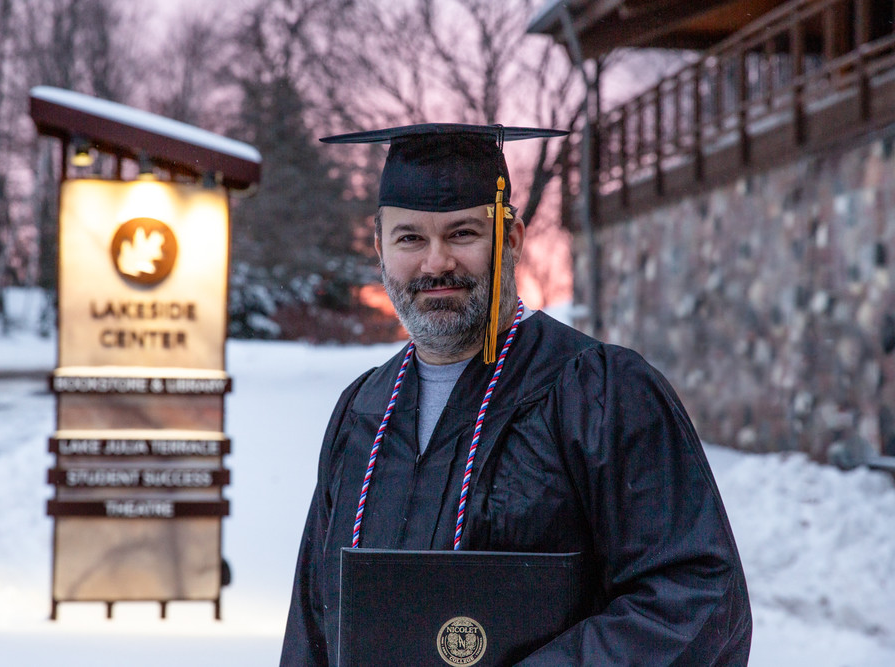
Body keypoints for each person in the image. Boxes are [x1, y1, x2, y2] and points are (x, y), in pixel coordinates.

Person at [281, 124, 752, 665]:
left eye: (462, 234)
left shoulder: (598, 393)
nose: (436, 263)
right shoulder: (361, 411)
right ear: (380, 249)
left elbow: (695, 598)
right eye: (410, 237)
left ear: (513, 239)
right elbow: (313, 622)